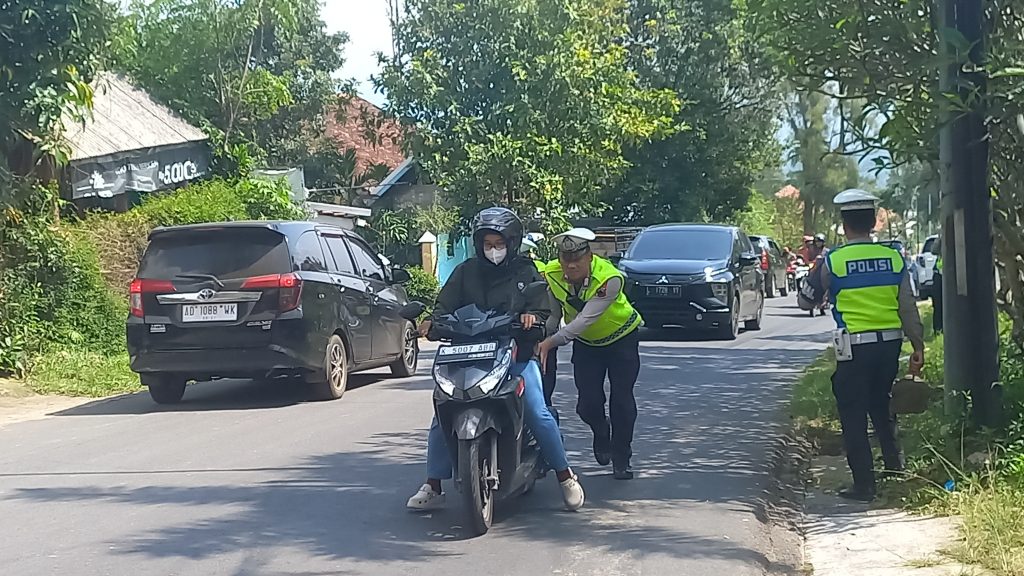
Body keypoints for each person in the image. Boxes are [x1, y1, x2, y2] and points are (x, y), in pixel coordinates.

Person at [406, 208, 585, 511]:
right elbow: (444, 306)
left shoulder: (526, 272)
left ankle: (565, 476)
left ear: (512, 243)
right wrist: (431, 322)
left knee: (538, 412)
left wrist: (532, 317)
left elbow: (544, 309)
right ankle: (433, 484)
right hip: (468, 357)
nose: (493, 250)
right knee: (442, 412)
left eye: (499, 243)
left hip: (515, 355)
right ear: (478, 244)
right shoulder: (465, 272)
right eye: (488, 244)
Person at [819, 189, 925, 502]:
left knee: (853, 411)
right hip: (890, 346)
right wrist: (917, 346)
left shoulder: (834, 260)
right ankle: (894, 469)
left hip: (854, 348)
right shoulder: (893, 258)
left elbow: (806, 299)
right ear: (873, 223)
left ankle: (864, 484)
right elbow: (908, 307)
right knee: (882, 404)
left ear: (844, 225)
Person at [536, 228, 643, 480]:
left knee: (622, 401)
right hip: (587, 345)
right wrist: (540, 337)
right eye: (566, 259)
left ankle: (622, 457)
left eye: (577, 259)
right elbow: (554, 315)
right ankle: (601, 430)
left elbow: (584, 320)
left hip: (621, 338)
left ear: (589, 257)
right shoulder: (551, 274)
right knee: (587, 405)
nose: (571, 266)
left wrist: (550, 343)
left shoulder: (609, 278)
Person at [522, 232, 561, 407]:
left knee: (541, 404)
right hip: (505, 341)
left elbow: (551, 312)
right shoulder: (486, 275)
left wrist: (544, 337)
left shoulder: (537, 272)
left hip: (539, 336)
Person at [930, 236, 943, 333]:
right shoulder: (941, 240)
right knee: (938, 305)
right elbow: (933, 250)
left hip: (947, 277)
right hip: (939, 277)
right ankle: (938, 328)